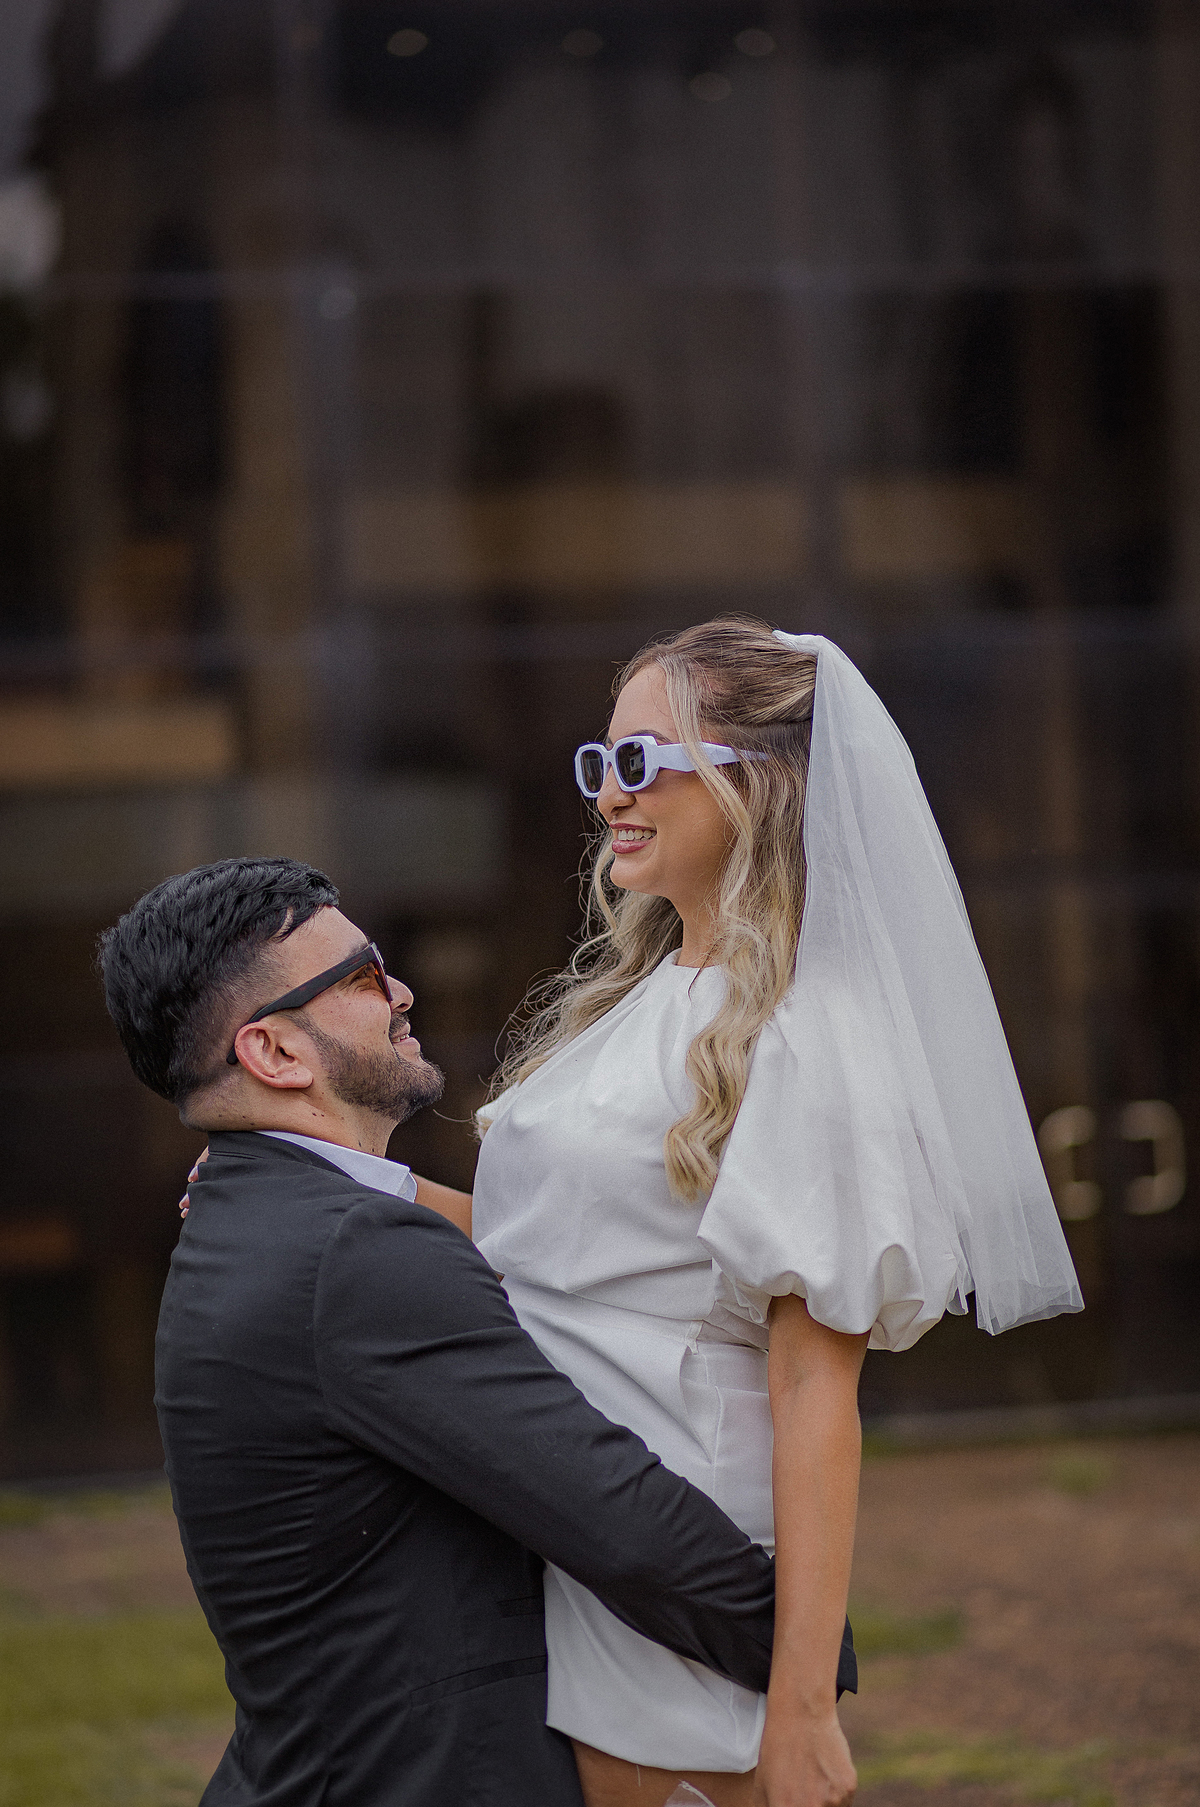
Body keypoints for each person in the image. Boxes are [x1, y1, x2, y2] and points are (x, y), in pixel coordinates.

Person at [471, 618, 1084, 1807]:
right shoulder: (640, 996)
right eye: (600, 762)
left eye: (639, 760)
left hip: (670, 1527)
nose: (609, 796)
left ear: (756, 781)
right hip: (562, 1514)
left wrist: (802, 1705)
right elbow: (542, 1249)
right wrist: (321, 1182)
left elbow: (812, 1386)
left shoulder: (811, 1035)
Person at [99, 856, 845, 1807]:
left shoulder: (259, 1217)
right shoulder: (354, 1253)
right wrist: (811, 1654)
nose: (401, 992)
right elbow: (613, 1516)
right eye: (364, 978)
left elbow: (530, 1252)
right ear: (276, 1053)